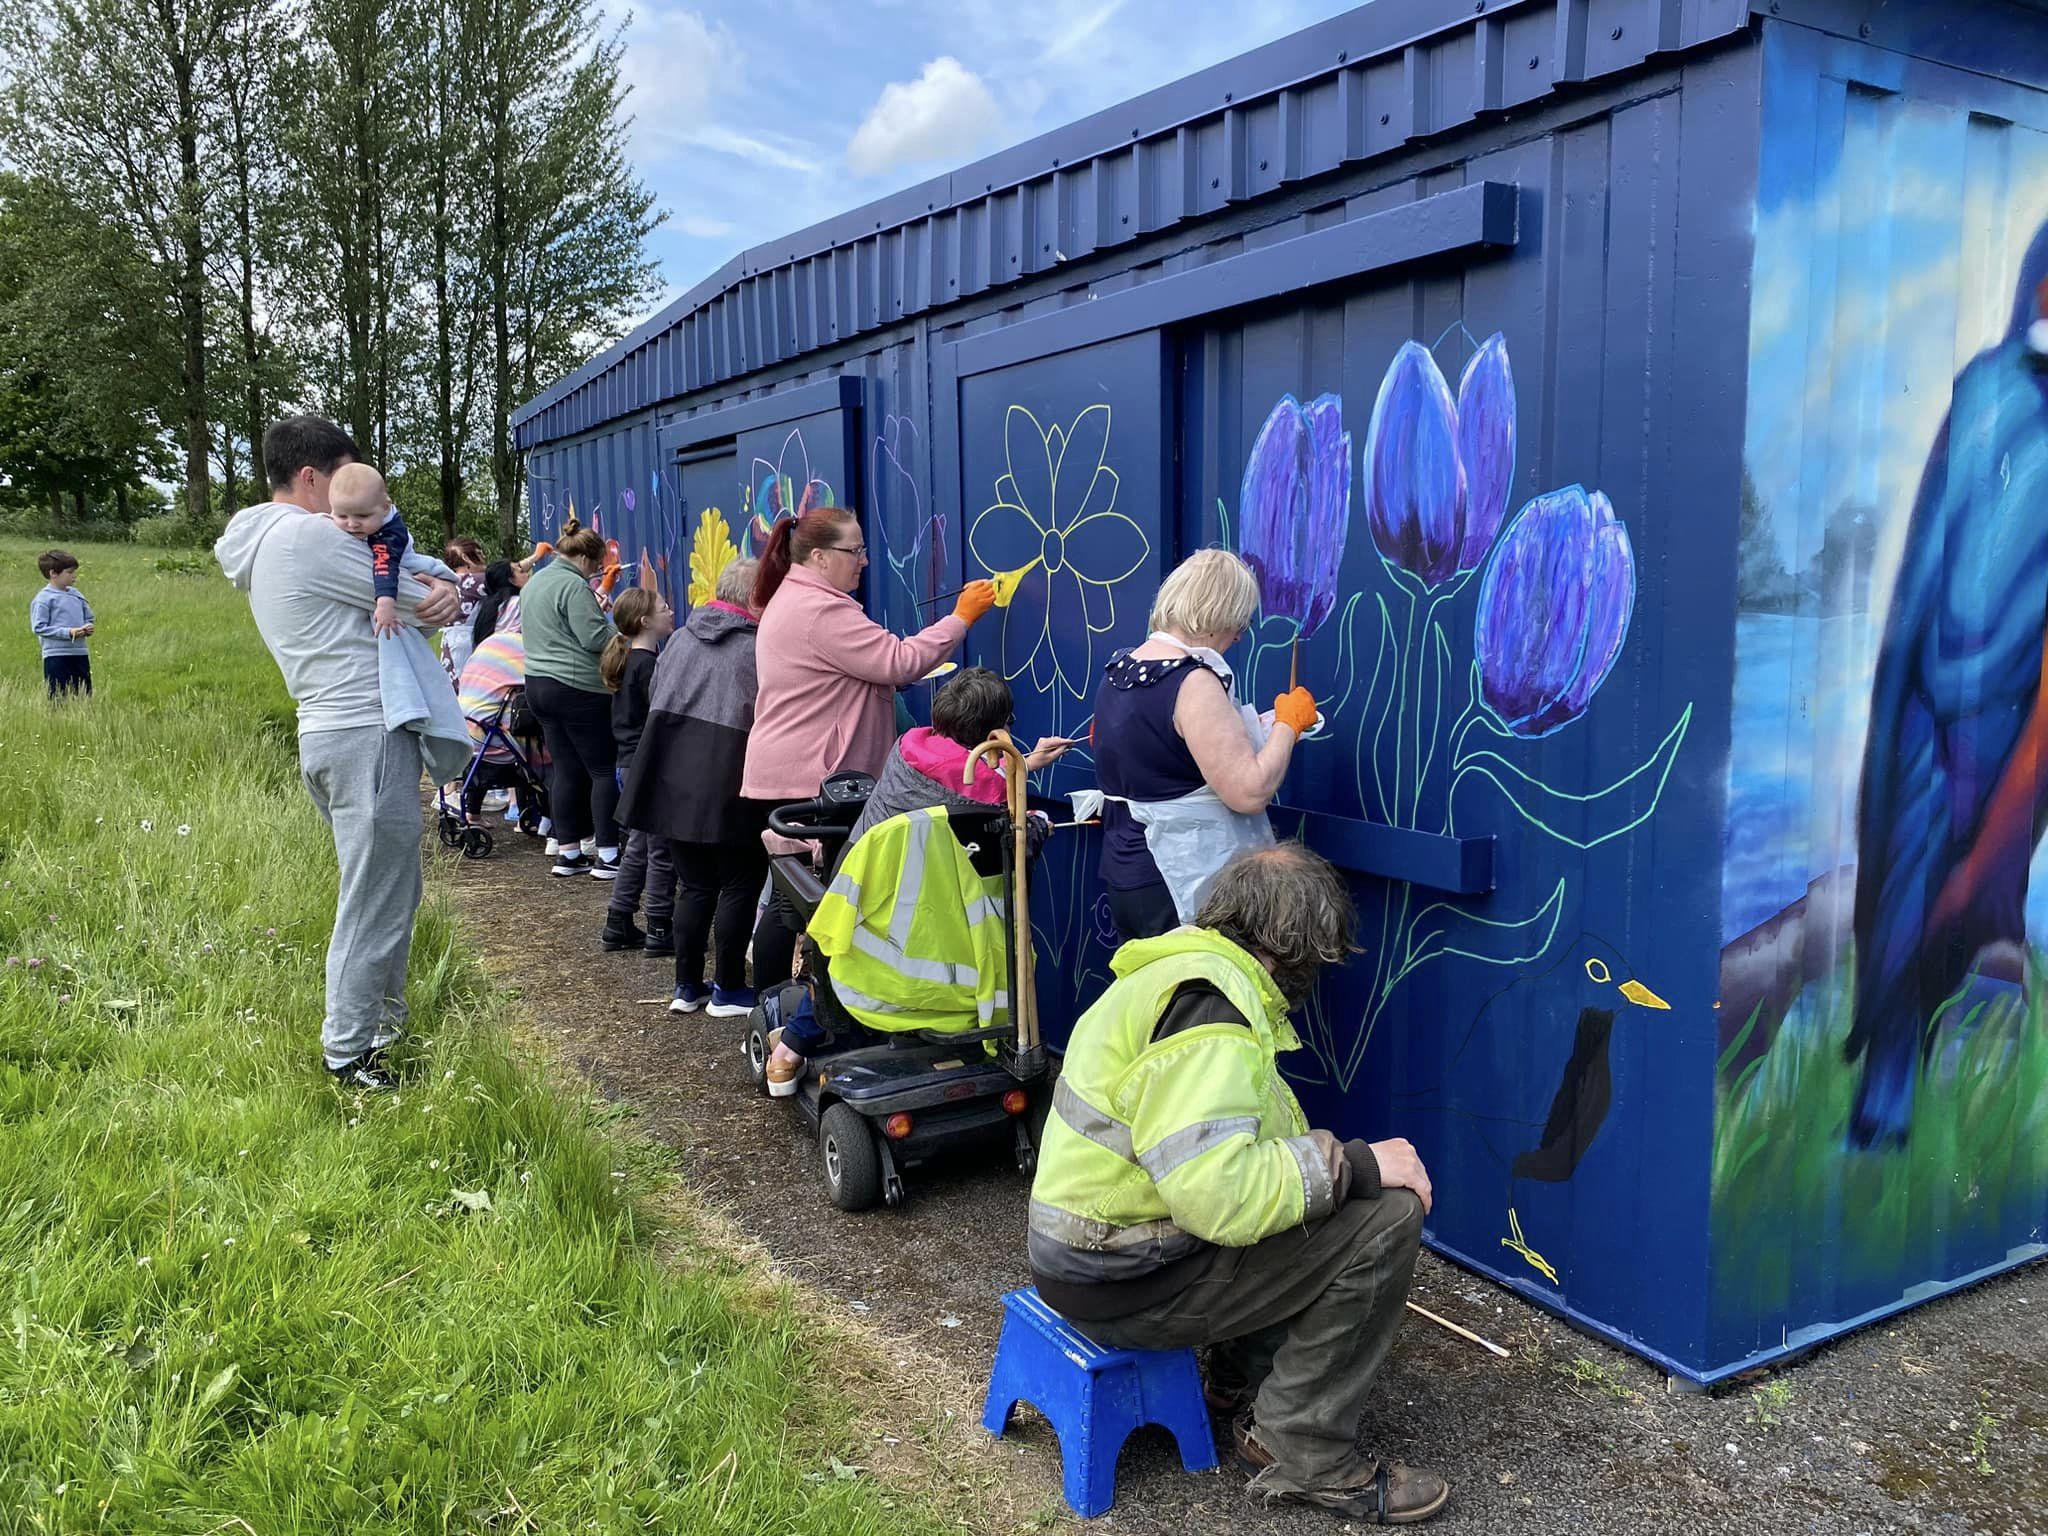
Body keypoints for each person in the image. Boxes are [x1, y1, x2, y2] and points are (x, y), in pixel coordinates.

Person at [1027, 843, 1444, 1524]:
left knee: (1308, 1192)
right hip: (1125, 1283)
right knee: (1386, 1216)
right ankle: (1304, 1454)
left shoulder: (1180, 975)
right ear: (1291, 947)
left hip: (1103, 1259)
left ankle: (1234, 1382)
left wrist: (1326, 1169)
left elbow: (1224, 1161)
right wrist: (1359, 1167)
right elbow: (1217, 1198)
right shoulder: (1213, 1013)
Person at [213, 414, 461, 1091]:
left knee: (393, 888)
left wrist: (438, 591)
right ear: (311, 477)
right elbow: (422, 603)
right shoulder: (303, 537)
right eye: (344, 486)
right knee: (374, 898)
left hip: (332, 731)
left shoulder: (262, 541)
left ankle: (381, 1026)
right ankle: (350, 1054)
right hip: (363, 732)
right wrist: (447, 589)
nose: (356, 507)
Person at [760, 666, 1071, 1090]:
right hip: (937, 918)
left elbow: (963, 777)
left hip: (869, 903)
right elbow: (1011, 838)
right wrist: (1037, 823)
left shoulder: (908, 748)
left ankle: (789, 1050)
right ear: (994, 731)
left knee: (839, 959)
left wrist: (1026, 763)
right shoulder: (987, 795)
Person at [740, 504, 996, 991]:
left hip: (793, 771)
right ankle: (783, 1014)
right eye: (854, 550)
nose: (864, 560)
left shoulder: (796, 597)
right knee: (798, 903)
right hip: (814, 778)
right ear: (819, 556)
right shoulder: (820, 610)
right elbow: (898, 662)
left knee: (790, 895)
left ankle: (777, 1011)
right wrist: (961, 618)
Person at [1090, 548, 1317, 942]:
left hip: (1129, 873)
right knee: (1196, 1002)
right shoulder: (1193, 682)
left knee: (1151, 1000)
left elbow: (1161, 756)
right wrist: (1287, 725)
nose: (1240, 634)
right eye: (1240, 621)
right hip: (1180, 882)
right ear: (1220, 613)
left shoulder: (1121, 669)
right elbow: (1249, 791)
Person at [618, 558, 767, 1018]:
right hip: (727, 775)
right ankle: (728, 987)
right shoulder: (757, 648)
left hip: (670, 778)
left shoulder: (679, 639)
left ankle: (687, 986)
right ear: (755, 598)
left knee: (695, 884)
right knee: (741, 881)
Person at [521, 514, 620, 879]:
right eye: (595, 566)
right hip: (577, 688)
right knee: (602, 769)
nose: (594, 573)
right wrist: (621, 635)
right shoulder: (574, 586)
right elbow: (594, 639)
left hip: (537, 685)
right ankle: (609, 855)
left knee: (564, 768)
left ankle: (568, 852)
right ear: (584, 559)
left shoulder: (535, 582)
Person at [599, 586, 677, 953]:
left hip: (627, 765)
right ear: (646, 621)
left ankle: (619, 919)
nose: (671, 610)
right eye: (664, 607)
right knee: (659, 846)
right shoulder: (649, 666)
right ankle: (660, 925)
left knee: (638, 845)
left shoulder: (628, 661)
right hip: (648, 766)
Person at [30, 548, 94, 698]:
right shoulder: (43, 599)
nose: (74, 576)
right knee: (58, 694)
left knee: (83, 693)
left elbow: (89, 617)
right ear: (53, 573)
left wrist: (87, 627)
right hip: (56, 655)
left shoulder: (76, 594)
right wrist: (68, 632)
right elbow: (39, 627)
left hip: (79, 652)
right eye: (69, 572)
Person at [438, 536, 489, 683]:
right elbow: (507, 575)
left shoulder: (448, 581)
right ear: (466, 558)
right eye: (478, 554)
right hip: (465, 643)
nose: (483, 557)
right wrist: (535, 557)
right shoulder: (471, 580)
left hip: (451, 643)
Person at [470, 558, 529, 645]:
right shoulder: (518, 603)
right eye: (522, 572)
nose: (527, 574)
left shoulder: (486, 606)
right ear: (511, 580)